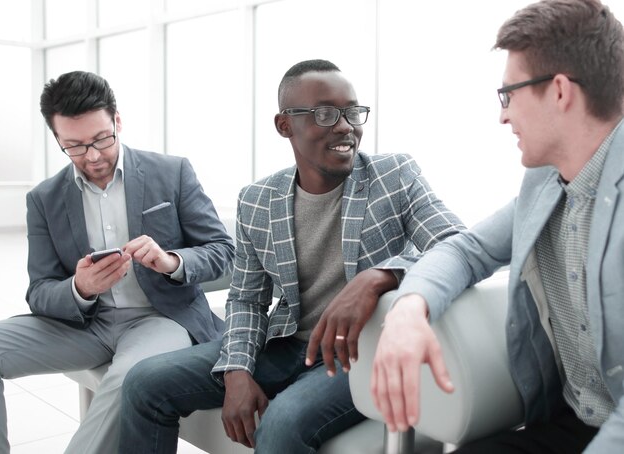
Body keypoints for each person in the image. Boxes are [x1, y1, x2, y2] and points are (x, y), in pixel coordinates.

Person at [118, 58, 464, 453]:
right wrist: (236, 371)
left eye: (352, 111)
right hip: (286, 344)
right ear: (285, 125)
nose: (345, 125)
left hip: (360, 351)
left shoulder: (394, 175)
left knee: (281, 425)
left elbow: (456, 243)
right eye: (325, 113)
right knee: (144, 383)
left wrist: (382, 276)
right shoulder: (257, 200)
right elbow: (247, 298)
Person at [372, 1, 624, 453]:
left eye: (509, 94)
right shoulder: (545, 183)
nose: (503, 116)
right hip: (570, 424)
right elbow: (467, 250)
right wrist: (409, 308)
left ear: (560, 91)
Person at [0, 71, 235, 453]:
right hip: (84, 324)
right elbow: (39, 291)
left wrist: (170, 261)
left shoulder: (171, 173)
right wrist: (81, 288)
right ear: (57, 139)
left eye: (101, 139)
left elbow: (223, 251)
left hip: (160, 318)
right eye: (74, 146)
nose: (92, 156)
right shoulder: (44, 198)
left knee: (130, 377)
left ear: (117, 121)